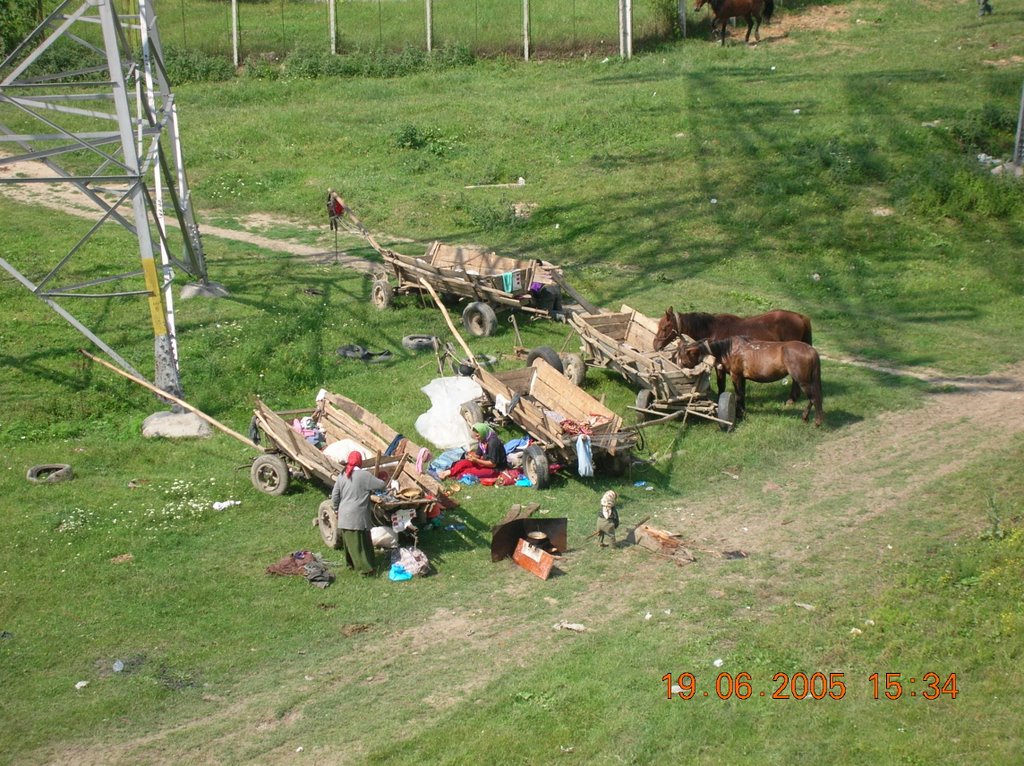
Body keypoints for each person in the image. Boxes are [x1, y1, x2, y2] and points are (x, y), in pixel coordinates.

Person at [330, 451, 386, 575]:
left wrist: (335, 509)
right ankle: (365, 570)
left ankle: (352, 566)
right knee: (360, 544)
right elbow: (381, 485)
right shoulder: (364, 475)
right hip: (358, 516)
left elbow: (335, 495)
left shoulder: (343, 475)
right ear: (360, 462)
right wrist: (382, 477)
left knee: (351, 543)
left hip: (345, 515)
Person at [438, 422, 508, 481]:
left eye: (477, 436)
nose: (476, 438)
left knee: (468, 471)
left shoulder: (493, 443)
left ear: (482, 432)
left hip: (495, 469)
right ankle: (448, 472)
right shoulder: (483, 439)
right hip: (484, 462)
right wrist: (471, 457)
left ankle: (454, 474)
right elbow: (478, 455)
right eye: (475, 436)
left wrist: (476, 460)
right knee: (463, 463)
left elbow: (493, 464)